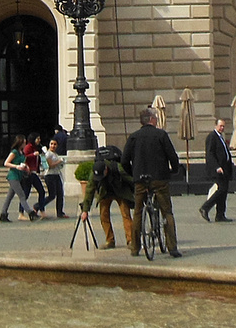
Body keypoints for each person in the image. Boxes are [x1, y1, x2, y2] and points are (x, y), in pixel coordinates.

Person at [123, 106, 181, 257]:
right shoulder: (161, 135)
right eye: (156, 118)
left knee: (137, 212)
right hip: (160, 178)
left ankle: (135, 248)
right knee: (167, 211)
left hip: (140, 180)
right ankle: (172, 248)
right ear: (152, 119)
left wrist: (133, 174)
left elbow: (124, 160)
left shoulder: (134, 137)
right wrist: (173, 170)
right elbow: (172, 156)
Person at [78, 145, 136, 249]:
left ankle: (131, 240)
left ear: (106, 169)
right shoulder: (94, 174)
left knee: (126, 215)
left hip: (121, 191)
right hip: (105, 192)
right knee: (103, 215)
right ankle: (110, 240)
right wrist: (85, 210)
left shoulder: (117, 167)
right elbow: (89, 190)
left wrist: (140, 189)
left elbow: (130, 179)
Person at [0, 135, 39, 222]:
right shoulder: (14, 152)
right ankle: (30, 213)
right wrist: (16, 166)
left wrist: (26, 167)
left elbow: (23, 162)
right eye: (24, 143)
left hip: (19, 175)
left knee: (9, 196)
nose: (25, 144)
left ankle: (3, 214)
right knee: (22, 195)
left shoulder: (22, 153)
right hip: (13, 176)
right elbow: (6, 163)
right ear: (20, 143)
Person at [200, 117, 233, 222]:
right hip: (218, 169)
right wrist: (217, 167)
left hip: (225, 168)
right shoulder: (212, 137)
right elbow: (210, 154)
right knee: (221, 189)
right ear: (215, 126)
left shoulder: (221, 137)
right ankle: (205, 207)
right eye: (220, 126)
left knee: (224, 191)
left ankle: (220, 214)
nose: (222, 128)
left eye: (223, 126)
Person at [39, 138, 67, 218]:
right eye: (51, 144)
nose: (53, 146)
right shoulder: (48, 154)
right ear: (49, 144)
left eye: (55, 144)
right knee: (52, 195)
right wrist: (60, 161)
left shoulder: (55, 154)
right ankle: (38, 206)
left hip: (56, 174)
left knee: (60, 194)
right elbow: (50, 165)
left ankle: (60, 212)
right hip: (50, 175)